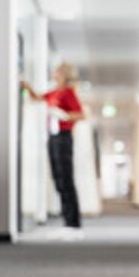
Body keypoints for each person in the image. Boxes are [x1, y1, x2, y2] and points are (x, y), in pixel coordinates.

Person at [22, 63, 87, 241]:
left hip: (64, 137)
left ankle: (74, 225)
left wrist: (63, 115)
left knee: (66, 179)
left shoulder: (68, 92)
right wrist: (25, 85)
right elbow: (36, 98)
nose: (54, 74)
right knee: (58, 179)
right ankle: (68, 223)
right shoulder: (54, 92)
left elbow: (81, 115)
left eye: (57, 72)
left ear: (64, 75)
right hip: (52, 137)